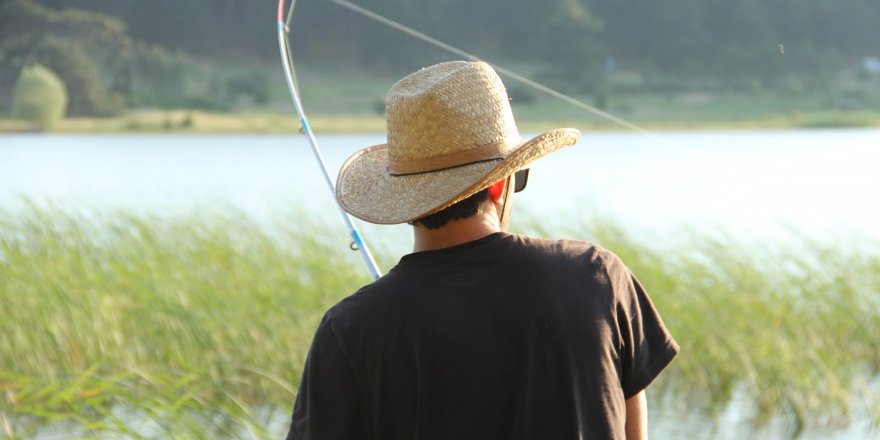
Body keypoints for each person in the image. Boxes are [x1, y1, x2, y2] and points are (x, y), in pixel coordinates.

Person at [286, 61, 679, 440]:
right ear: (497, 185)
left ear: (405, 199)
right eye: (518, 177)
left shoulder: (350, 328)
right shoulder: (597, 277)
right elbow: (631, 422)